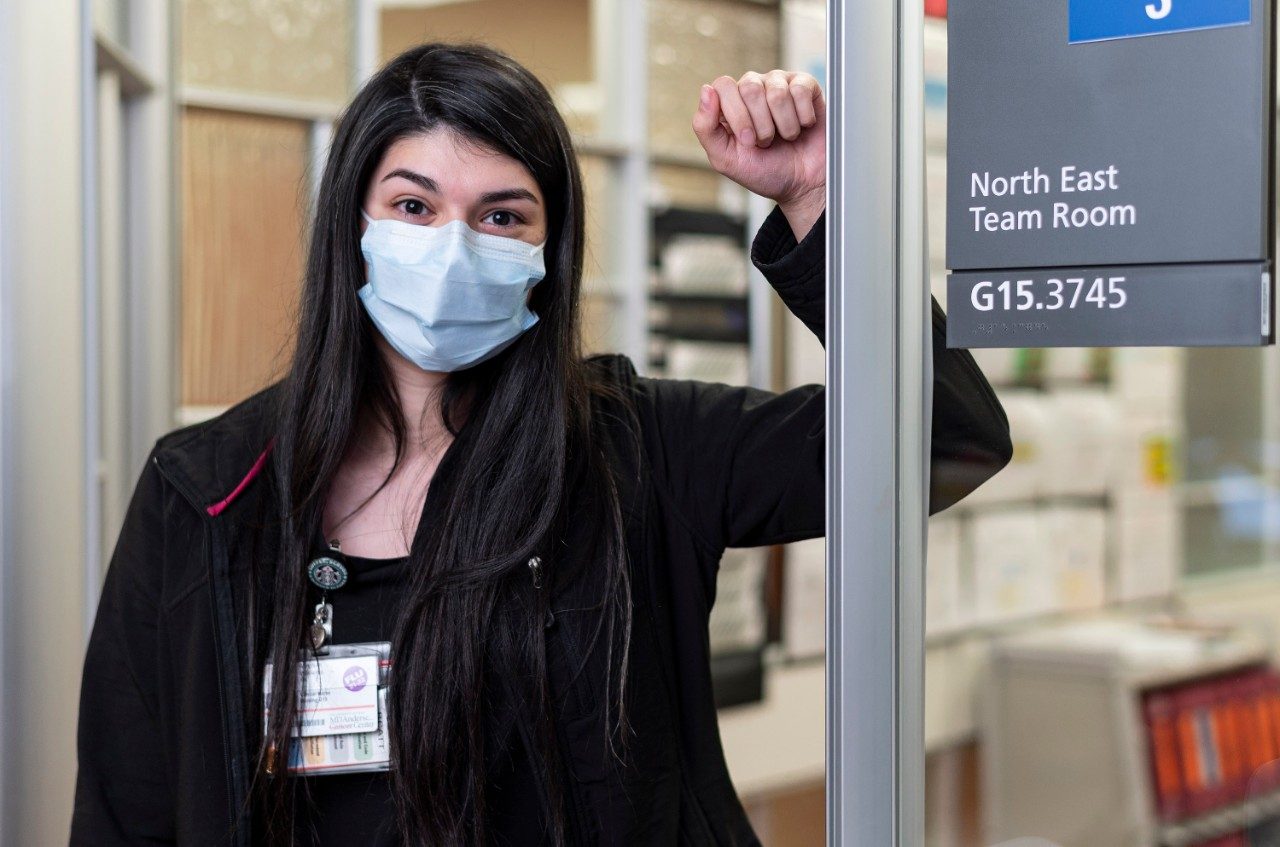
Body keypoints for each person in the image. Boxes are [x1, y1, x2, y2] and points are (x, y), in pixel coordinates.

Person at [71, 43, 1011, 846]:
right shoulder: (206, 493)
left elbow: (946, 434)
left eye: (501, 216)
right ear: (350, 225)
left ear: (546, 254)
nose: (452, 247)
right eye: (413, 206)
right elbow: (127, 808)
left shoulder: (640, 452)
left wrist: (818, 205)